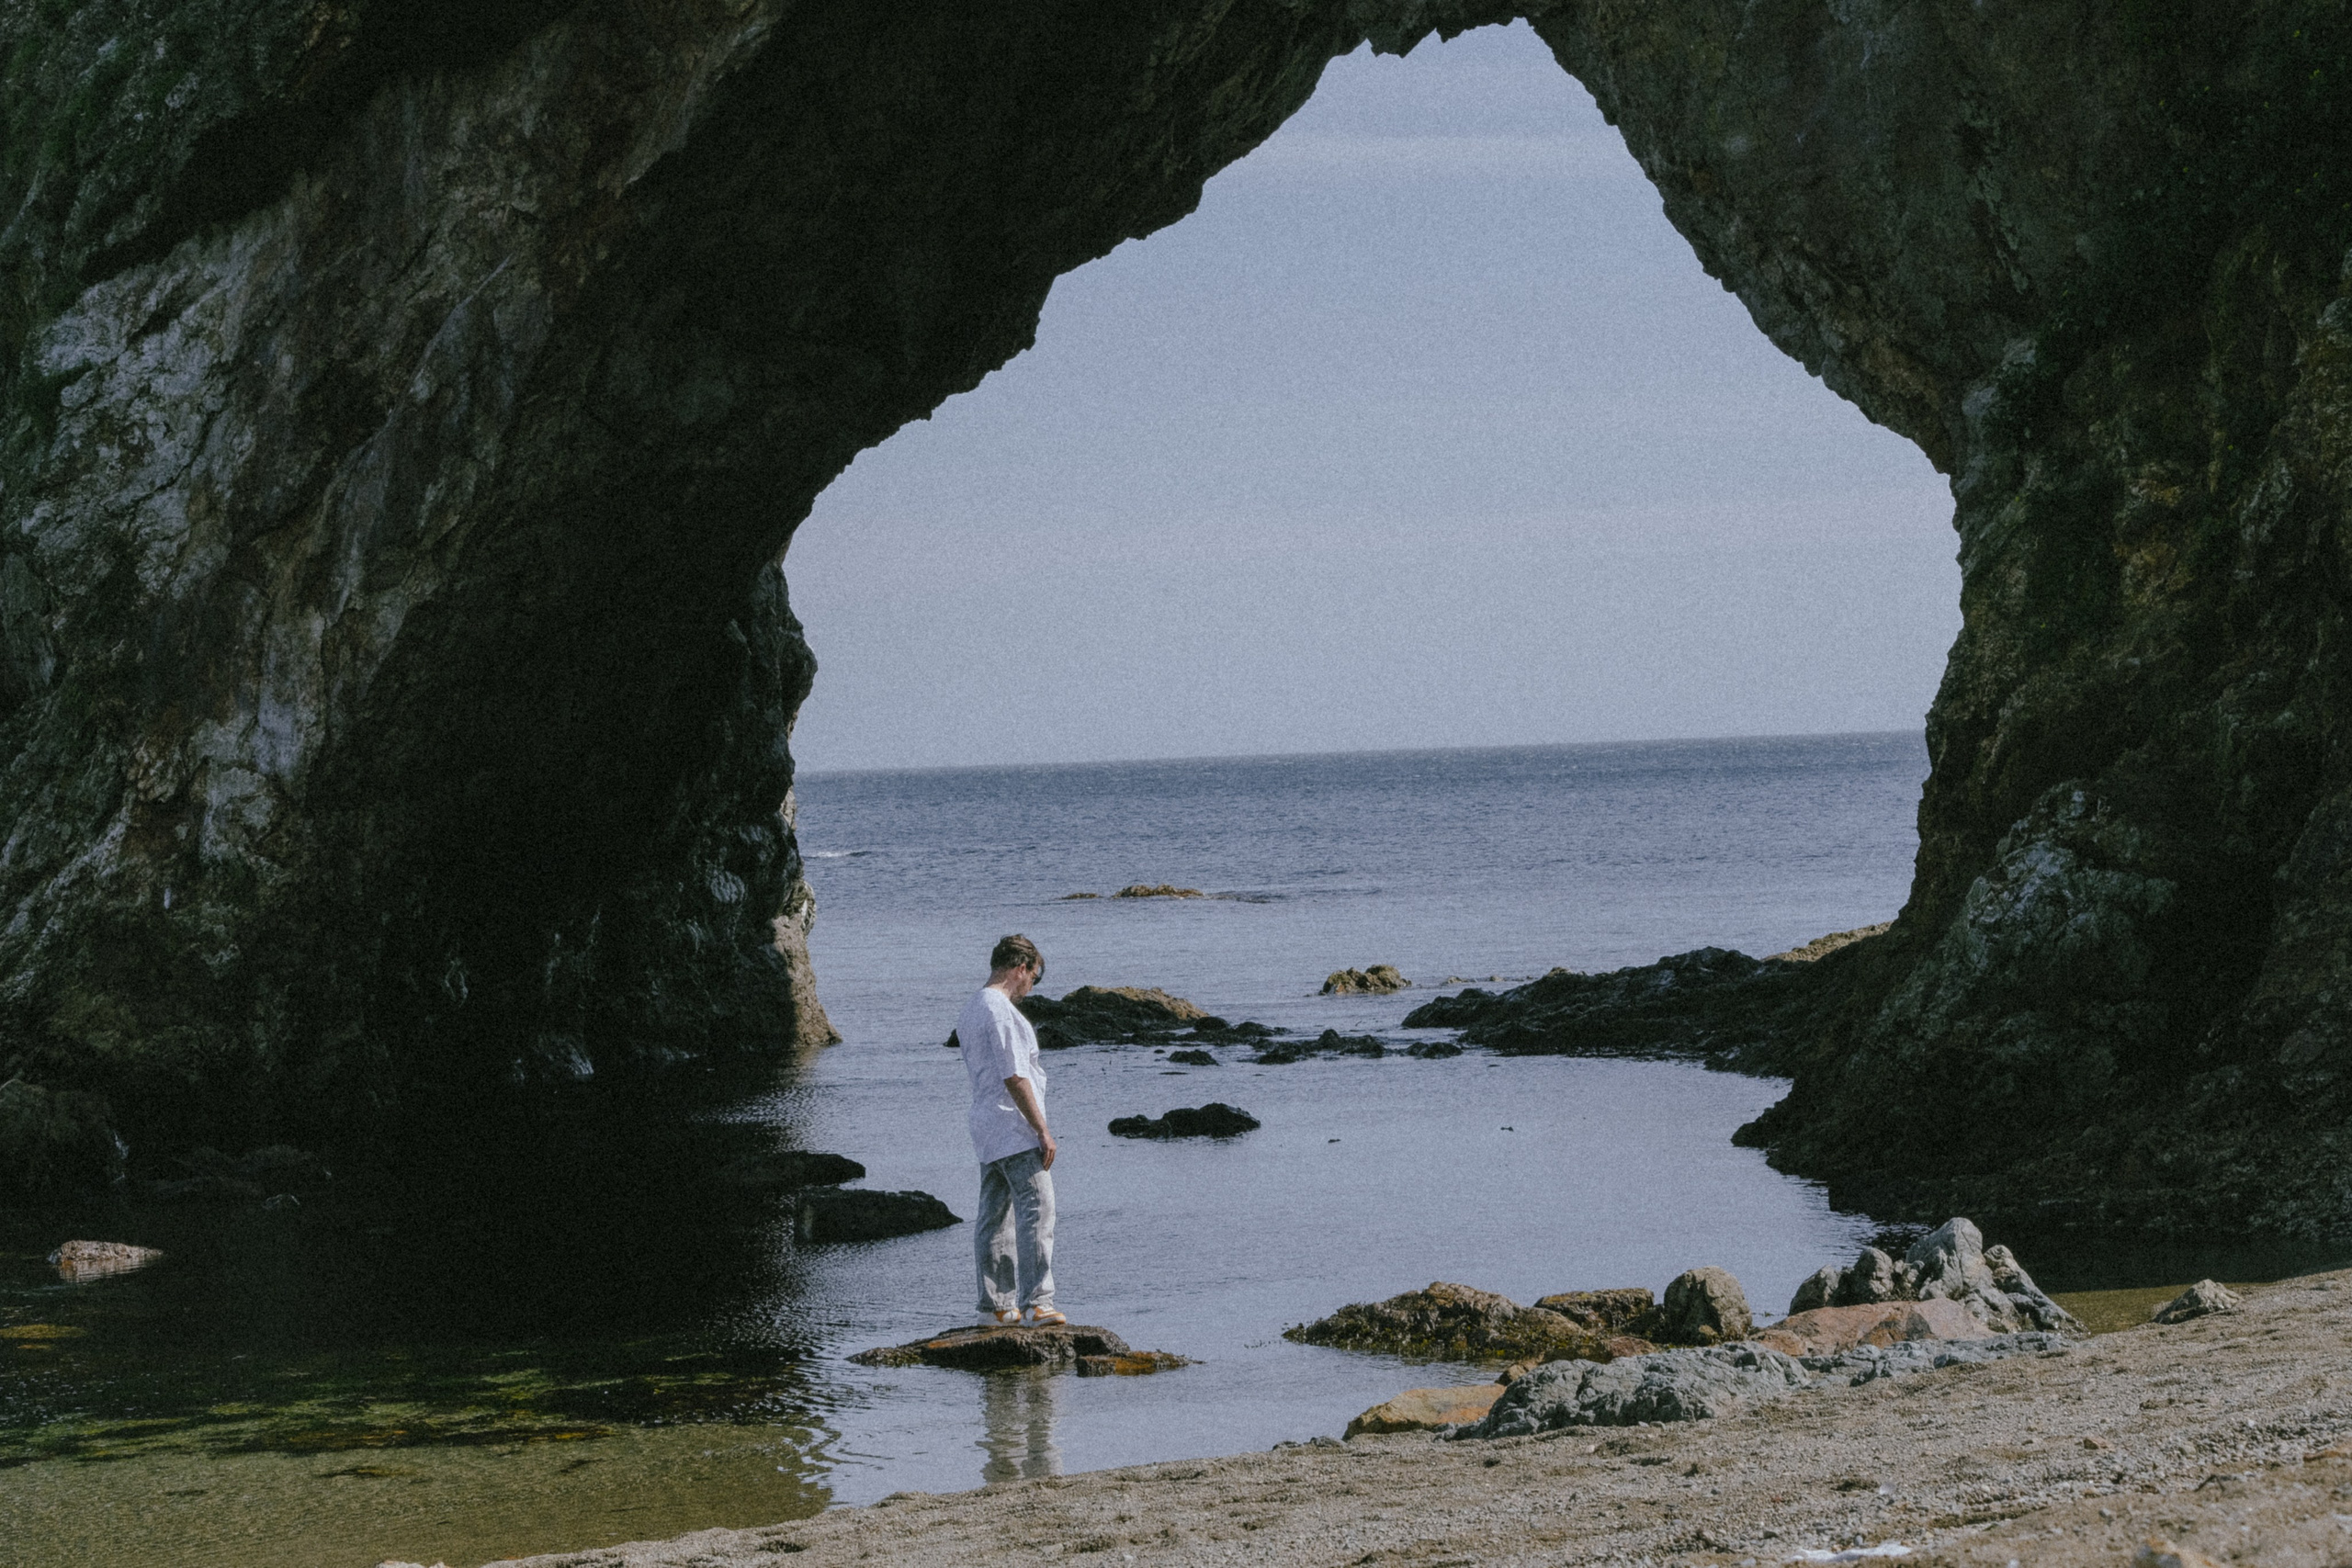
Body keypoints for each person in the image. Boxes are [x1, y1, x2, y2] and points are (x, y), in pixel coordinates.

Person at [956, 933, 1064, 1327]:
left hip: (985, 1125)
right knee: (1037, 1208)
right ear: (1021, 968)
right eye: (1033, 978)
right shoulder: (999, 1010)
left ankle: (996, 1307)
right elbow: (1015, 1076)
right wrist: (1043, 1130)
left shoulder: (971, 1008)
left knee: (994, 1217)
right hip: (1012, 1125)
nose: (1031, 988)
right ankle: (1038, 1302)